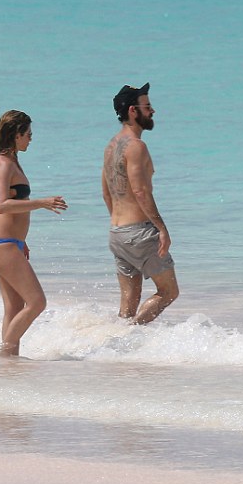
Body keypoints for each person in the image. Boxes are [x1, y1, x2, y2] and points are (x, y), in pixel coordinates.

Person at [0, 110, 68, 356]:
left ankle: (9, 364)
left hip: (8, 243)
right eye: (28, 134)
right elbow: (1, 205)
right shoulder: (3, 163)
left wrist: (22, 239)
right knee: (37, 302)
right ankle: (1, 355)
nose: (31, 139)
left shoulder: (8, 162)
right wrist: (42, 203)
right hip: (2, 244)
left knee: (14, 307)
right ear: (16, 135)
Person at [102, 83, 179, 324]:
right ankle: (131, 333)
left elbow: (106, 193)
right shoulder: (136, 147)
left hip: (117, 232)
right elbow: (140, 191)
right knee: (169, 291)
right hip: (139, 234)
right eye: (147, 106)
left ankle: (117, 341)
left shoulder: (110, 147)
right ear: (133, 110)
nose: (152, 111)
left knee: (129, 301)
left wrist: (121, 227)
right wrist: (162, 228)